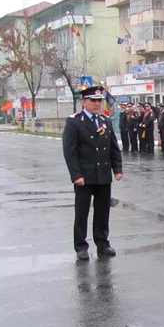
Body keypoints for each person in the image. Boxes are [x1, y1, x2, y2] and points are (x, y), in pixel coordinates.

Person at [62, 85, 123, 261]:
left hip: (103, 174)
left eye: (99, 101)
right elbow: (70, 152)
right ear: (84, 102)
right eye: (93, 101)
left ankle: (102, 243)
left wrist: (117, 169)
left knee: (103, 212)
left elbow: (113, 148)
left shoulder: (105, 120)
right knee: (82, 212)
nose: (97, 104)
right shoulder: (74, 122)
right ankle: (81, 246)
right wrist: (76, 175)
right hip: (85, 176)